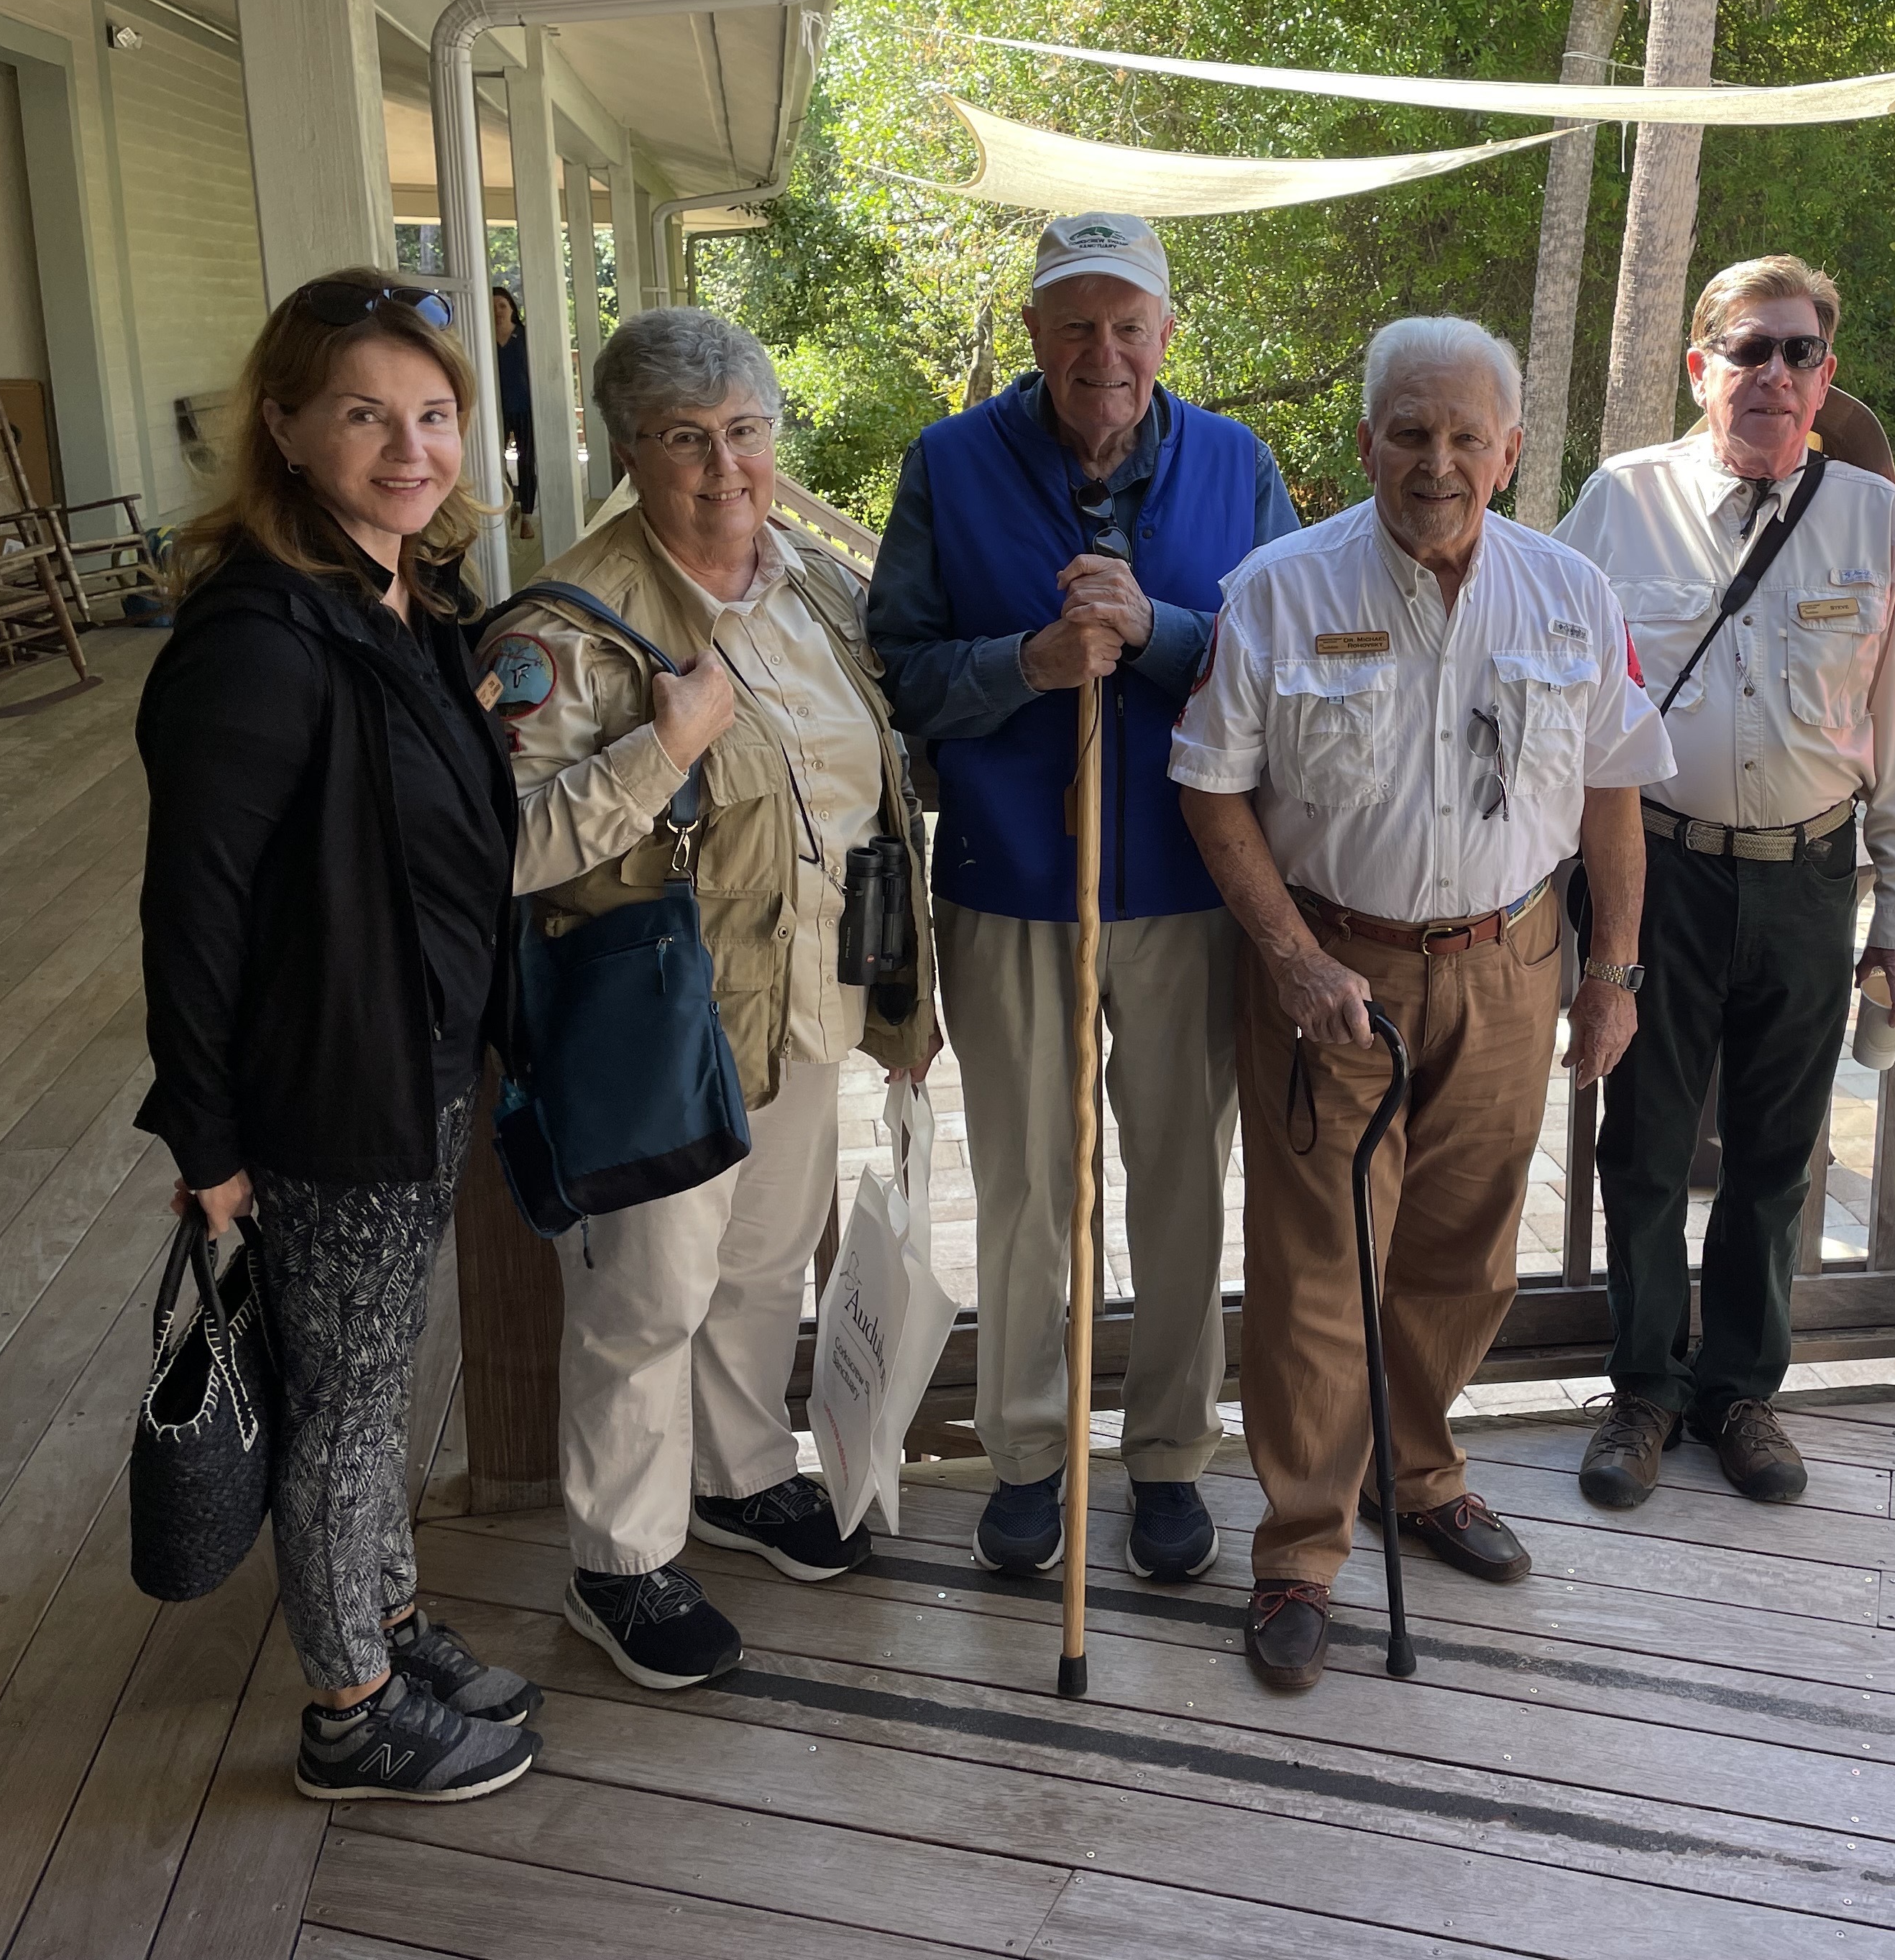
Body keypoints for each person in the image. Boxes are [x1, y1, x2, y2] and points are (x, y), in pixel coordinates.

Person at [1172, 316, 1674, 1690]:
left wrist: (1611, 967)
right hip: (1333, 973)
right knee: (1320, 1271)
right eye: (1410, 431)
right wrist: (1287, 956)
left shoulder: (1572, 593)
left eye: (1466, 436)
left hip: (1512, 963)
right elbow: (1208, 783)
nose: (1436, 461)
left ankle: (1415, 1467)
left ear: (1511, 452)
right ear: (1365, 442)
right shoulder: (1277, 588)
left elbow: (1615, 786)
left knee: (1468, 1254)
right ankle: (1300, 1545)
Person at [481, 308, 938, 1688]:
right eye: (687, 438)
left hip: (803, 1002)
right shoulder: (566, 627)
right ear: (630, 450)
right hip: (655, 1024)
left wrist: (902, 994)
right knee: (648, 1295)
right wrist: (660, 741)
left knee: (760, 1259)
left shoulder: (809, 587)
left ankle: (741, 1473)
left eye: (745, 430)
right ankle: (618, 1559)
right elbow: (496, 847)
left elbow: (870, 794)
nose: (725, 466)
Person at [138, 267, 538, 1803]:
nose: (409, 447)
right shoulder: (257, 637)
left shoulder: (400, 601)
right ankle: (348, 1710)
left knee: (364, 1379)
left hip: (417, 1057)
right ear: (289, 428)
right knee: (348, 1409)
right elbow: (194, 910)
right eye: (365, 414)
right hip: (329, 1085)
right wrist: (208, 1137)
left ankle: (386, 1614)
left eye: (433, 415)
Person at [866, 213, 1295, 1583]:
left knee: (1178, 1182)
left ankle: (1169, 1453)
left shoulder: (1236, 466)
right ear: (1036, 329)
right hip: (1013, 882)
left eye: (1126, 323)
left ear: (1166, 333)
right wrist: (1030, 662)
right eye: (1071, 322)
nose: (1099, 351)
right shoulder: (950, 463)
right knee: (1029, 1190)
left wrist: (1159, 636)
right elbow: (898, 670)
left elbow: (1289, 672)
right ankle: (1029, 1454)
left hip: (1187, 886)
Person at [1555, 255, 1895, 1509]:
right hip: (1656, 870)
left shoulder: (1874, 517)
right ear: (1700, 366)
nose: (1771, 373)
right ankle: (1640, 1390)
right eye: (1746, 349)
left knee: (1779, 1155)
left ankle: (1741, 1392)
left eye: (1796, 352)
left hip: (1804, 878)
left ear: (1825, 378)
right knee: (1645, 1145)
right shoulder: (1621, 499)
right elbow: (1544, 669)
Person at [492, 285, 537, 538]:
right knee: (495, 462)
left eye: (502, 305)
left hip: (525, 408)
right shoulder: (484, 341)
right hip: (496, 410)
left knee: (526, 461)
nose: (497, 311)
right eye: (493, 306)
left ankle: (527, 517)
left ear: (512, 308)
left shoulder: (524, 336)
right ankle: (509, 504)